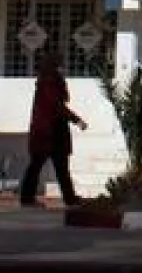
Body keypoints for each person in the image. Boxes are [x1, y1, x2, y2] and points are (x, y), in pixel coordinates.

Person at [21, 49, 88, 208]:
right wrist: (77, 120)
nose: (62, 68)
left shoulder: (49, 81)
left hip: (47, 131)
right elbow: (57, 106)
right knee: (46, 167)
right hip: (50, 132)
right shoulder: (50, 82)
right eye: (60, 65)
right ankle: (30, 198)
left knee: (51, 167)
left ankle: (66, 198)